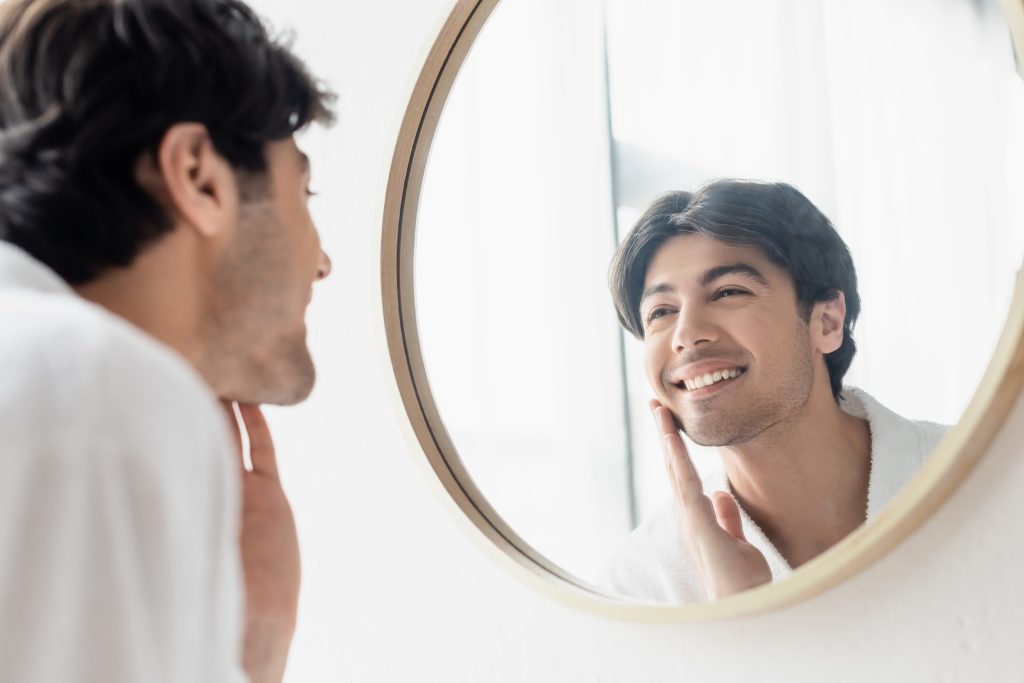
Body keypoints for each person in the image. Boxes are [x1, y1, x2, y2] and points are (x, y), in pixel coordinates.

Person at [0, 1, 334, 681]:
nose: (322, 260)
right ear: (199, 176)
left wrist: (253, 643)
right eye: (304, 188)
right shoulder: (90, 390)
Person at [602, 180, 946, 603]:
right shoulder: (638, 587)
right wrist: (740, 620)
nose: (685, 335)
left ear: (827, 323)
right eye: (661, 312)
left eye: (729, 292)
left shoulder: (991, 471)